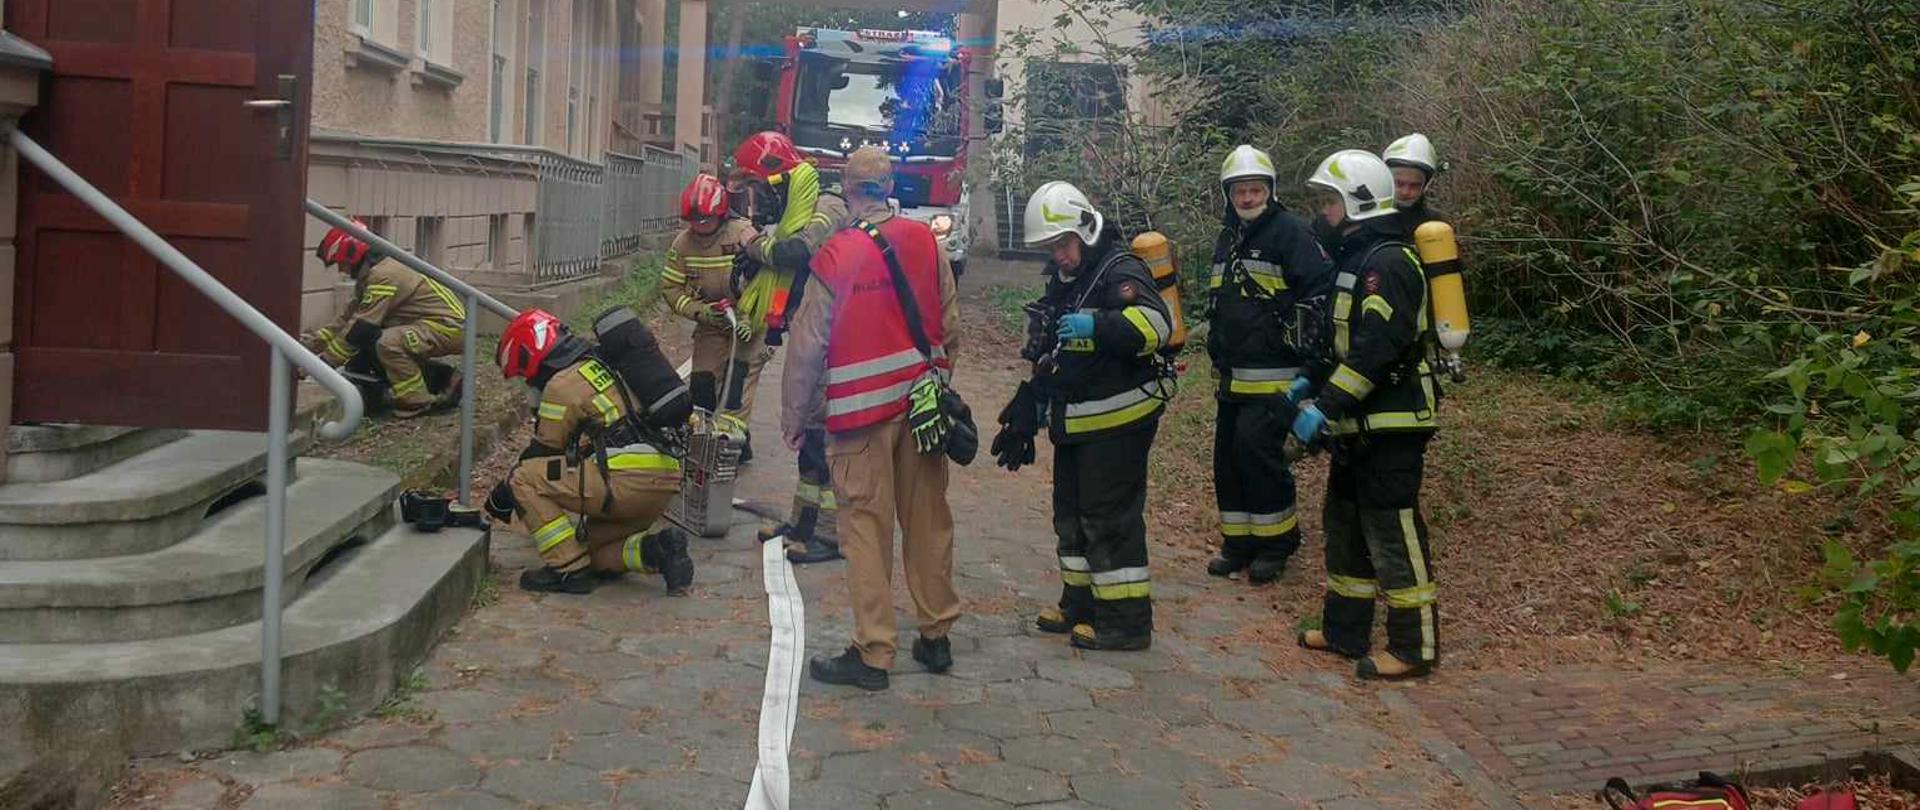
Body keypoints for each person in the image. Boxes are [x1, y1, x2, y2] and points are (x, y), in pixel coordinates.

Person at [782, 146, 962, 690]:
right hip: (919, 408)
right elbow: (949, 327)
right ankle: (935, 637)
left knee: (865, 526)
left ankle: (874, 651)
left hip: (859, 416)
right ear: (891, 187)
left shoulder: (835, 255)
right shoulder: (926, 243)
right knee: (928, 519)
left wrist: (795, 415)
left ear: (848, 189)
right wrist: (937, 382)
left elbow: (808, 344)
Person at [996, 181, 1173, 652]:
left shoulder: (1121, 271)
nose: (1059, 256)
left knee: (1109, 520)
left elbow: (1158, 326)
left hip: (1118, 422)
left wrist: (1100, 324)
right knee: (1071, 516)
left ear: (1085, 229)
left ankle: (1125, 623)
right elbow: (1059, 350)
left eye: (1063, 245)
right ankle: (1080, 603)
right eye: (1051, 249)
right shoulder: (1068, 281)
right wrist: (1033, 398)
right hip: (1077, 423)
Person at [1291, 149, 1439, 680]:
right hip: (1360, 426)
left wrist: (1326, 405)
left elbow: (1377, 348)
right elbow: (1342, 341)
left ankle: (1413, 648)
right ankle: (1345, 631)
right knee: (1346, 525)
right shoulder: (1355, 260)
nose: (1322, 212)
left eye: (1329, 201)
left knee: (1393, 533)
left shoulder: (1390, 263)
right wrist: (1310, 375)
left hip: (1393, 424)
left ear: (1356, 204)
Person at [489, 309, 694, 596]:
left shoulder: (561, 385)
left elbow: (544, 452)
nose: (527, 383)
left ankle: (567, 571)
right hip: (663, 482)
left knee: (524, 479)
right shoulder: (606, 364)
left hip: (624, 484)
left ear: (531, 356)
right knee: (593, 554)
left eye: (524, 374)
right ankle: (657, 550)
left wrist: (504, 491)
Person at [1203, 145, 1335, 584]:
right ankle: (1237, 543)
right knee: (1228, 460)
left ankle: (1277, 542)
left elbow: (1318, 292)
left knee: (1258, 455)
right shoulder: (1229, 237)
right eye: (1240, 191)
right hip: (1235, 376)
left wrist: (1309, 364)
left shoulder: (1290, 234)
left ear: (1270, 191)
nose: (1247, 198)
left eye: (1255, 189)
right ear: (1229, 194)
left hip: (1276, 376)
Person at [731, 131, 856, 566]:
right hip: (813, 330)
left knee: (823, 435)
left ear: (781, 180)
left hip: (836, 335)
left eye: (761, 189)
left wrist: (754, 245)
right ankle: (803, 522)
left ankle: (828, 534)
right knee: (808, 434)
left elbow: (798, 251)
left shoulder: (828, 207)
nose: (759, 200)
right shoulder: (798, 209)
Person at [303, 220, 464, 418]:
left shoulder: (383, 276)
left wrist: (324, 366)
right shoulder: (374, 274)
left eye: (341, 263)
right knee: (368, 353)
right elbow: (347, 320)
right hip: (438, 324)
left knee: (386, 343)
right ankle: (444, 379)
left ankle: (416, 401)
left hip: (448, 327)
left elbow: (362, 327)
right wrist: (311, 347)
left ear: (355, 256)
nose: (341, 270)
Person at [663, 173, 763, 424]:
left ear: (721, 213)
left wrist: (751, 318)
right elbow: (671, 288)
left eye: (704, 220)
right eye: (693, 221)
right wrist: (700, 311)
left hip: (746, 323)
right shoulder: (683, 245)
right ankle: (704, 439)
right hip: (712, 323)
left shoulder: (743, 234)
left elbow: (766, 281)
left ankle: (737, 440)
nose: (699, 226)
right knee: (702, 384)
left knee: (736, 385)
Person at [1382, 133, 1448, 237]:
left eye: (1415, 186)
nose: (1405, 192)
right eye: (1398, 183)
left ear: (1426, 185)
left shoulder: (1434, 224)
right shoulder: (1361, 217)